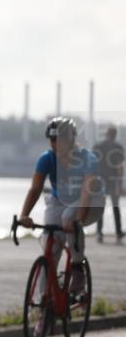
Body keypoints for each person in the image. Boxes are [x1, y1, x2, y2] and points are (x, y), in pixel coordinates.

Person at [18, 117, 104, 292]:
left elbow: (87, 193)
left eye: (61, 139)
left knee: (69, 218)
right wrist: (24, 215)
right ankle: (45, 308)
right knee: (49, 252)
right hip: (59, 201)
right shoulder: (46, 159)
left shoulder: (88, 158)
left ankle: (78, 267)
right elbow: (35, 189)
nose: (56, 144)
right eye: (53, 140)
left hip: (91, 201)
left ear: (72, 139)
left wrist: (78, 220)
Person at [92, 126, 125, 244]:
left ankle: (99, 232)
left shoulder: (97, 146)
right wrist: (120, 185)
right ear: (115, 134)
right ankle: (118, 231)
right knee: (116, 207)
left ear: (106, 133)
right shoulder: (118, 147)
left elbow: (92, 164)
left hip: (100, 180)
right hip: (113, 180)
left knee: (100, 207)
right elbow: (119, 166)